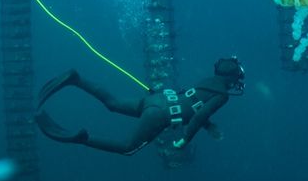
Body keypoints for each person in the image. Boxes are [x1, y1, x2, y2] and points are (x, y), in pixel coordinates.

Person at [35, 57, 245, 155]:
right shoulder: (223, 95)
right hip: (161, 115)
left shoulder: (208, 81)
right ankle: (82, 138)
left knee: (113, 103)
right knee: (128, 148)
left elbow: (194, 104)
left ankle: (76, 79)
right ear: (233, 78)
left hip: (158, 100)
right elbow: (198, 116)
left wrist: (209, 126)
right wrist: (184, 139)